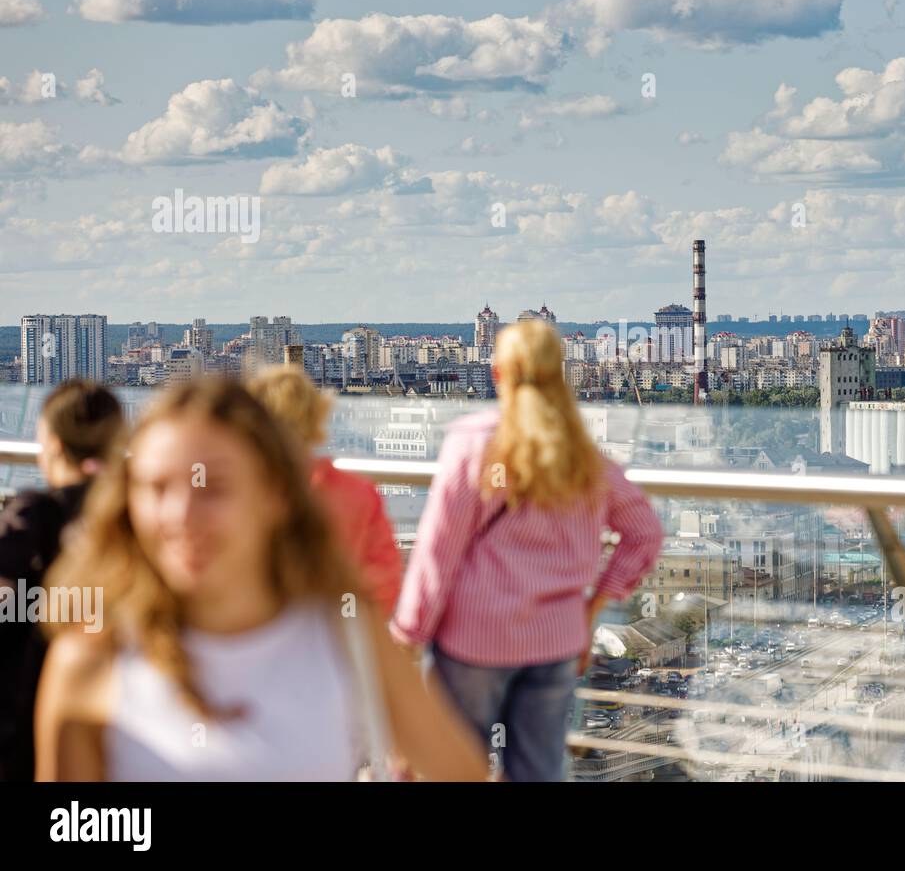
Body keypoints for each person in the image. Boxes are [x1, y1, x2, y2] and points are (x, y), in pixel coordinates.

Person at [35, 379, 486, 781]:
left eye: (212, 488)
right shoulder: (90, 657)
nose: (180, 516)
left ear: (276, 496)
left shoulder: (346, 634)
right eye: (156, 488)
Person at [391, 320, 662, 782]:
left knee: (452, 768)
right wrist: (592, 607)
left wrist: (407, 635)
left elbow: (437, 555)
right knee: (539, 771)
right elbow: (645, 534)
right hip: (556, 640)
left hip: (473, 640)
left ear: (498, 374)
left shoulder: (474, 444)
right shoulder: (584, 457)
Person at [0, 380, 124, 782]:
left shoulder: (33, 518)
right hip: (120, 735)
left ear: (51, 444)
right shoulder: (140, 523)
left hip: (24, 727)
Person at [247, 365, 403, 616]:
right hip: (338, 634)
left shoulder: (242, 496)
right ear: (317, 414)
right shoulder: (357, 493)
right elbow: (384, 579)